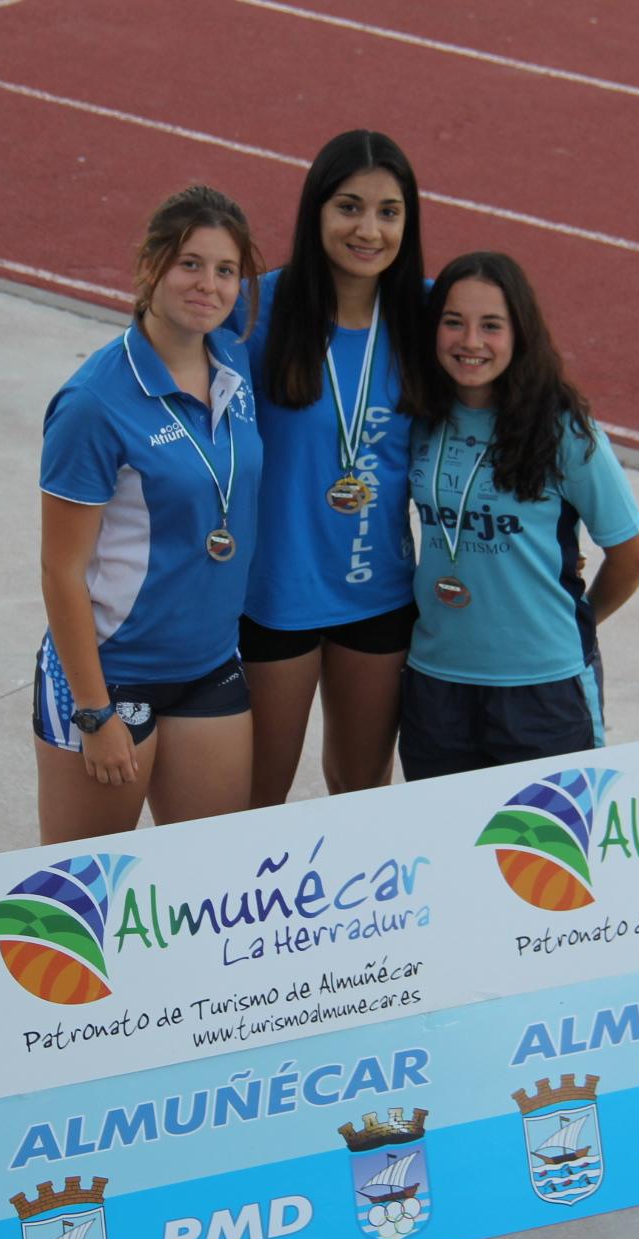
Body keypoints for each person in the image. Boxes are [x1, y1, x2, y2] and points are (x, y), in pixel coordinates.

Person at [32, 186, 264, 843]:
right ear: (149, 267)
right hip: (113, 675)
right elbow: (61, 571)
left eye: (225, 270)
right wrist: (93, 711)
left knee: (208, 881)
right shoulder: (93, 403)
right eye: (190, 263)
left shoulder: (233, 362)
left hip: (210, 667)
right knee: (87, 889)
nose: (208, 285)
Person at [395, 251, 639, 781]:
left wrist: (578, 622)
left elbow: (634, 553)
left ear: (520, 334)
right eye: (453, 322)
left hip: (543, 688)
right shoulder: (419, 418)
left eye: (491, 326)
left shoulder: (564, 432)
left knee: (546, 837)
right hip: (437, 681)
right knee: (448, 832)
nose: (471, 341)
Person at [231, 129, 425, 806]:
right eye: (349, 207)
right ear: (316, 209)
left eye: (388, 212)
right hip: (277, 595)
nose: (368, 230)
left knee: (363, 794)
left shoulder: (427, 316)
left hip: (379, 595)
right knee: (258, 799)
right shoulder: (254, 311)